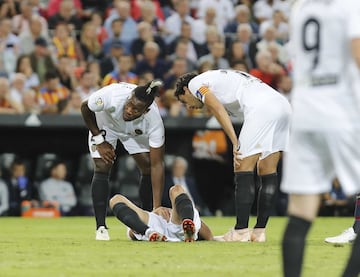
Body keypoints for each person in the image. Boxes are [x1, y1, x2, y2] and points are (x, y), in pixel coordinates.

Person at [280, 1, 360, 277]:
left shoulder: (301, 9)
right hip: (344, 111)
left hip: (305, 113)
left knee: (299, 213)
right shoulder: (351, 6)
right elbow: (357, 53)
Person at [175, 69, 291, 242]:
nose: (189, 106)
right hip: (283, 106)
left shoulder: (195, 83)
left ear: (185, 90)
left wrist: (235, 142)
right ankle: (259, 232)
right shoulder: (218, 80)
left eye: (184, 101)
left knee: (242, 165)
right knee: (267, 170)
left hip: (262, 108)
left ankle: (241, 231)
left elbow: (217, 108)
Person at [81, 79, 166, 241]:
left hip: (132, 132)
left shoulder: (154, 121)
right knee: (102, 166)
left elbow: (157, 165)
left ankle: (147, 218)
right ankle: (101, 227)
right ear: (129, 96)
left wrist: (157, 206)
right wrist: (99, 140)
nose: (128, 110)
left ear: (146, 111)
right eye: (129, 104)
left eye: (135, 109)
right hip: (105, 125)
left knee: (147, 167)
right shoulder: (111, 95)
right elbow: (85, 107)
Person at [109, 184, 214, 242]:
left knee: (115, 200)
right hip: (171, 224)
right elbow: (209, 235)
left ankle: (147, 232)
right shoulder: (184, 211)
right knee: (176, 189)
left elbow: (208, 235)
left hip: (156, 226)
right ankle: (187, 222)